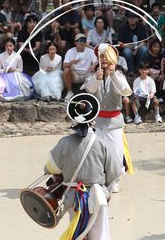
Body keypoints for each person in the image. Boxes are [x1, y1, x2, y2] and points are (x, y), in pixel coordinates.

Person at [43, 102, 122, 240]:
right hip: (97, 196)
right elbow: (114, 173)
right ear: (93, 119)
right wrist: (106, 193)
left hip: (73, 198)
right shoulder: (103, 144)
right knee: (100, 236)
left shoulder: (64, 143)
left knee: (78, 234)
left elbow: (50, 168)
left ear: (73, 118)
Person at [85, 43, 133, 192]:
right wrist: (97, 80)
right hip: (98, 121)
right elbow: (89, 90)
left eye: (106, 56)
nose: (103, 59)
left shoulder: (118, 76)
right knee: (97, 151)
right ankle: (99, 178)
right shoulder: (95, 76)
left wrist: (112, 74)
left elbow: (126, 91)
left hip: (114, 121)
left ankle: (115, 180)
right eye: (101, 56)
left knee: (116, 152)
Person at [63, 33, 97, 100]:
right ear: (75, 42)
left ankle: (91, 94)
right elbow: (64, 65)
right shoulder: (70, 51)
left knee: (97, 71)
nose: (82, 42)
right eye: (80, 40)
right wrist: (71, 62)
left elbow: (96, 61)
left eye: (84, 41)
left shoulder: (90, 51)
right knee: (66, 70)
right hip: (75, 74)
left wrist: (93, 65)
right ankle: (69, 92)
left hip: (87, 74)